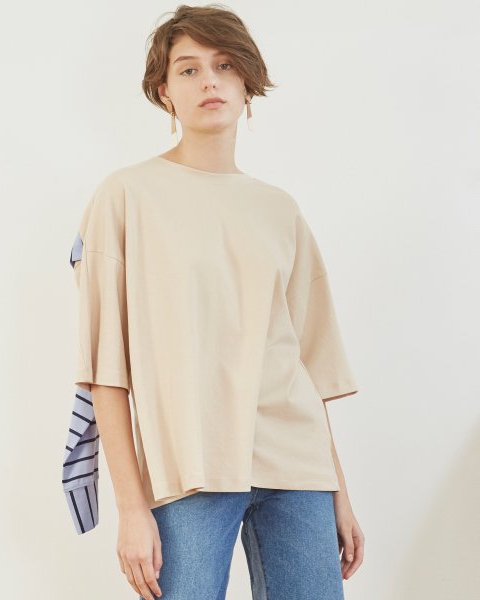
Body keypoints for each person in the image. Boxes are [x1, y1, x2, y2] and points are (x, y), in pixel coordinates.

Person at [67, 4, 365, 599]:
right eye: (189, 69)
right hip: (190, 468)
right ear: (164, 91)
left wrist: (339, 490)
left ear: (247, 82)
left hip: (296, 465)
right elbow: (105, 368)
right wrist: (131, 508)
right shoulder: (126, 196)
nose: (210, 80)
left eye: (225, 65)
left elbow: (303, 363)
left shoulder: (279, 209)